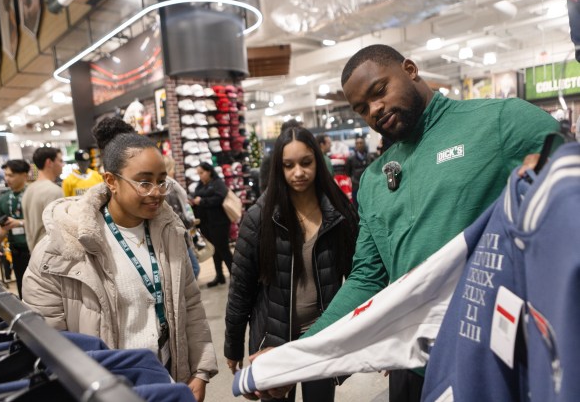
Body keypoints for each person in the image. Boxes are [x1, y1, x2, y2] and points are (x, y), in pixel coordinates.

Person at [258, 44, 559, 402]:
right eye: (361, 108)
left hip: (494, 357)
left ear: (411, 69)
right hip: (410, 366)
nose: (374, 110)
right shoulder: (371, 180)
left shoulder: (501, 121)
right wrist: (297, 354)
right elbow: (368, 278)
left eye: (379, 91)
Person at [22, 120, 217, 401]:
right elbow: (47, 340)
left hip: (167, 379)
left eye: (162, 181)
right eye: (144, 182)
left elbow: (191, 305)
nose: (157, 192)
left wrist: (199, 371)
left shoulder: (170, 234)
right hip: (103, 387)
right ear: (111, 181)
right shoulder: (62, 247)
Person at [225, 126, 359, 402]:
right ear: (279, 168)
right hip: (272, 339)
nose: (298, 172)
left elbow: (359, 276)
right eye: (289, 165)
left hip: (320, 337)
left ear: (318, 163)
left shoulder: (338, 212)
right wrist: (233, 345)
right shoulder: (259, 218)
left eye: (306, 163)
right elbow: (241, 287)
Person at [0, 160, 30, 298]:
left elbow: (44, 221)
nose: (7, 179)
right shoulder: (3, 199)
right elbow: (2, 228)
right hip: (16, 250)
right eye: (6, 175)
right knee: (22, 287)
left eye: (11, 175)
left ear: (24, 175)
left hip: (36, 248)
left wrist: (20, 223)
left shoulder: (33, 194)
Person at [190, 162, 232, 288]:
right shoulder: (200, 184)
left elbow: (220, 197)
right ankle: (219, 276)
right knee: (215, 250)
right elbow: (196, 196)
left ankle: (237, 277)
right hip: (206, 223)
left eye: (202, 173)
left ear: (209, 171)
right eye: (198, 174)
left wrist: (202, 201)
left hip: (219, 222)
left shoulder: (217, 183)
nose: (200, 176)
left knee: (224, 250)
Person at [164, 156, 201, 279]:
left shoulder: (170, 187)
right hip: (177, 235)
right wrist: (189, 222)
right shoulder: (169, 189)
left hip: (176, 234)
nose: (174, 171)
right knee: (193, 269)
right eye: (172, 168)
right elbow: (175, 213)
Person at [21, 147, 63, 251]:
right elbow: (59, 230)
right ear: (49, 162)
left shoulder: (28, 190)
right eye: (60, 161)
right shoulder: (54, 191)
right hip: (52, 255)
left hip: (35, 254)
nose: (62, 165)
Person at [345, 136, 375, 209]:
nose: (359, 145)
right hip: (356, 187)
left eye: (361, 143)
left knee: (370, 207)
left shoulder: (371, 157)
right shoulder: (350, 159)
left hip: (369, 187)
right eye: (357, 143)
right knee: (357, 207)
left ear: (364, 144)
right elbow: (347, 172)